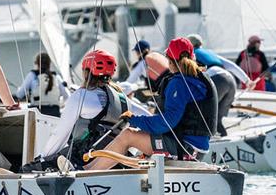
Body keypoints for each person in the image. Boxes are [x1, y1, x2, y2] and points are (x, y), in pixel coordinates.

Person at [88, 37, 218, 170]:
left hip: (185, 148)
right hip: (197, 148)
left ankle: (89, 173)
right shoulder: (200, 79)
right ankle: (88, 168)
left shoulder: (179, 83)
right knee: (135, 135)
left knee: (128, 136)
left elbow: (167, 122)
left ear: (170, 60)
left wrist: (134, 119)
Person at [21, 49, 149, 172]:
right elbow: (147, 116)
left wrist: (43, 157)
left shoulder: (81, 95)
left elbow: (60, 134)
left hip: (84, 157)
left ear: (87, 71)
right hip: (117, 159)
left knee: (27, 169)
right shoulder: (123, 98)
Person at [186, 34, 251, 137]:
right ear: (201, 44)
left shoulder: (191, 54)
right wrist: (247, 81)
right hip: (230, 81)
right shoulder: (211, 53)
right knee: (218, 119)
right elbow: (231, 66)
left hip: (217, 79)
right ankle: (223, 139)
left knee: (206, 115)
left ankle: (208, 141)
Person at [15, 52, 69, 117]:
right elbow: (67, 96)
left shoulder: (32, 75)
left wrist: (19, 89)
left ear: (37, 63)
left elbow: (19, 94)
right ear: (49, 64)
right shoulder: (56, 76)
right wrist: (60, 103)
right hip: (54, 113)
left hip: (37, 114)